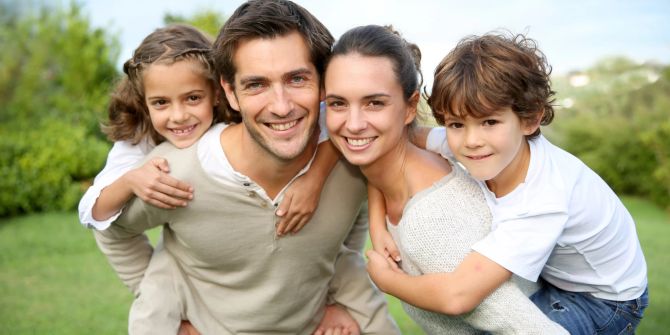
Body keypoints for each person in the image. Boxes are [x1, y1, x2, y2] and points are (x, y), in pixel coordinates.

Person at [93, 1, 399, 334]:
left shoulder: (352, 159)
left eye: (297, 79)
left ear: (323, 84)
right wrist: (170, 312)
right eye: (256, 84)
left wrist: (334, 298)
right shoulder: (172, 174)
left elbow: (350, 217)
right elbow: (111, 231)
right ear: (230, 93)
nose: (281, 106)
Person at [370, 31, 649, 335]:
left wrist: (388, 281)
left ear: (529, 120)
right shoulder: (474, 145)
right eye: (456, 124)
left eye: (490, 122)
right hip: (557, 277)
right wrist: (376, 221)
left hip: (604, 300)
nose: (472, 140)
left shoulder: (541, 199)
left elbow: (457, 296)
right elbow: (391, 145)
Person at [325, 25, 567, 334]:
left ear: (410, 107)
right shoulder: (398, 171)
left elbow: (535, 328)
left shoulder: (432, 219)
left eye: (375, 103)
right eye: (338, 103)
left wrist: (388, 281)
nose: (354, 124)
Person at [78, 26, 331, 237]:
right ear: (144, 101)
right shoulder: (139, 136)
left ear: (218, 93)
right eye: (160, 102)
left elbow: (330, 122)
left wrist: (314, 179)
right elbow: (92, 210)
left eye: (193, 98)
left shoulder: (246, 113)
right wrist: (131, 180)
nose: (178, 116)